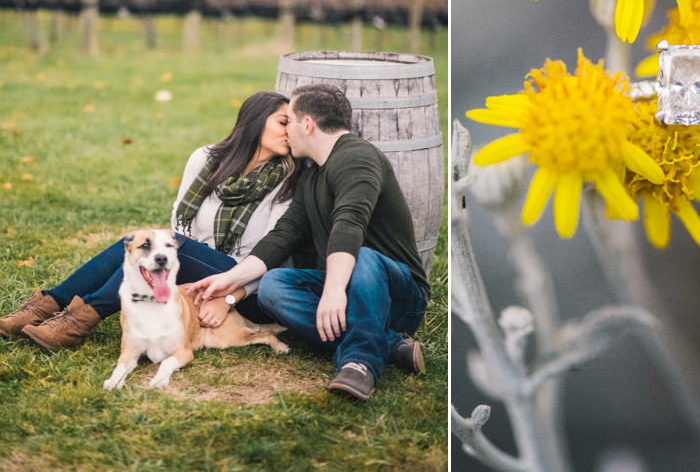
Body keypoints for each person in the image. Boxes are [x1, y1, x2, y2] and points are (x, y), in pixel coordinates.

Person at [186, 83, 430, 400]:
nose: (288, 132)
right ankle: (388, 344)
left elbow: (349, 223)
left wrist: (332, 291)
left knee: (364, 257)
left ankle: (360, 364)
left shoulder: (358, 157)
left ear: (308, 124)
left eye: (290, 121)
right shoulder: (312, 172)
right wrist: (229, 279)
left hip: (398, 296)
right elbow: (285, 233)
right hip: (345, 287)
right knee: (274, 286)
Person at [0, 91, 299, 349]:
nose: (290, 131)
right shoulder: (206, 159)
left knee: (167, 245)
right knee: (138, 244)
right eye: (283, 122)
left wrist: (228, 298)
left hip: (245, 285)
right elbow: (181, 221)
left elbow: (274, 260)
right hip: (194, 270)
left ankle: (78, 321)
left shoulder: (287, 182)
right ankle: (46, 307)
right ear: (255, 122)